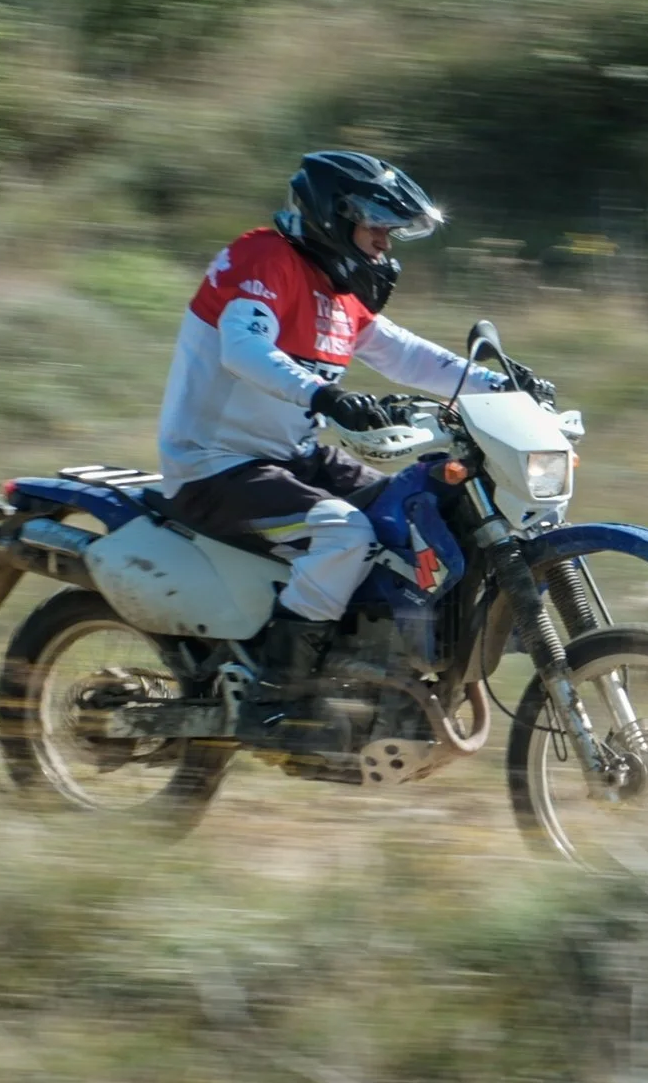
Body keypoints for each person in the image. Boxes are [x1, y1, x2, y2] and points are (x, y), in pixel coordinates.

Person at [155, 150, 541, 706]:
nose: (385, 242)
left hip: (291, 455)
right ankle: (277, 692)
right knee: (344, 531)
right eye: (376, 225)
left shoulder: (336, 292)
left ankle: (362, 667)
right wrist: (326, 396)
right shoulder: (262, 257)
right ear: (334, 215)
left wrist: (500, 384)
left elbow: (406, 355)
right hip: (214, 464)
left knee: (409, 514)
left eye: (392, 231)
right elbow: (243, 349)